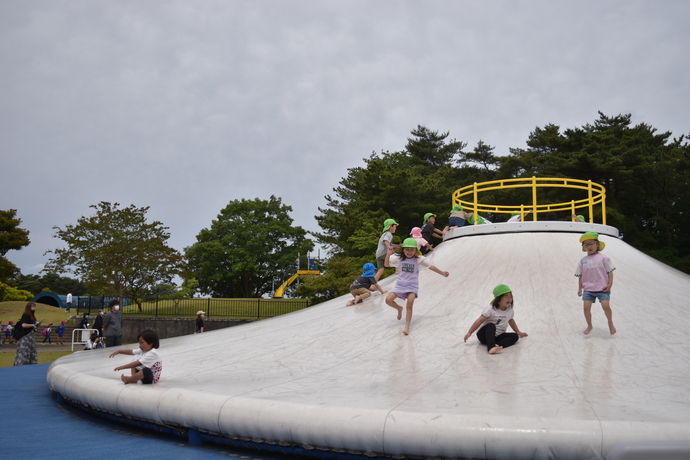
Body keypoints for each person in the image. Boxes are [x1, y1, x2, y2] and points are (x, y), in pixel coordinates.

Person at [384, 238, 449, 335]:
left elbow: (431, 266)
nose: (409, 252)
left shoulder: (418, 260)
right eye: (407, 249)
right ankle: (399, 309)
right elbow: (386, 264)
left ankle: (407, 327)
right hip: (400, 285)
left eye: (412, 250)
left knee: (409, 304)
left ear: (416, 250)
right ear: (403, 250)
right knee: (388, 300)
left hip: (412, 286)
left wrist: (442, 273)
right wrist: (388, 253)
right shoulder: (399, 259)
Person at [463, 284, 528, 354]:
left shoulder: (510, 310)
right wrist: (470, 332)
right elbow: (480, 320)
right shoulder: (491, 309)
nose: (509, 299)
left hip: (498, 336)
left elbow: (511, 320)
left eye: (510, 296)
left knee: (515, 337)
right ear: (498, 298)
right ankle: (490, 347)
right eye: (506, 296)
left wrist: (518, 331)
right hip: (484, 335)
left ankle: (496, 345)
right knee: (491, 325)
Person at [576, 231, 616, 335]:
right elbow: (580, 275)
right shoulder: (583, 260)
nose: (589, 246)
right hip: (588, 289)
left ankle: (610, 322)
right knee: (586, 308)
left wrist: (610, 284)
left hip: (603, 288)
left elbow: (609, 271)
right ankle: (589, 325)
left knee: (606, 306)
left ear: (597, 244)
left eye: (591, 243)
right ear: (583, 247)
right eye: (586, 244)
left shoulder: (604, 258)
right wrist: (580, 288)